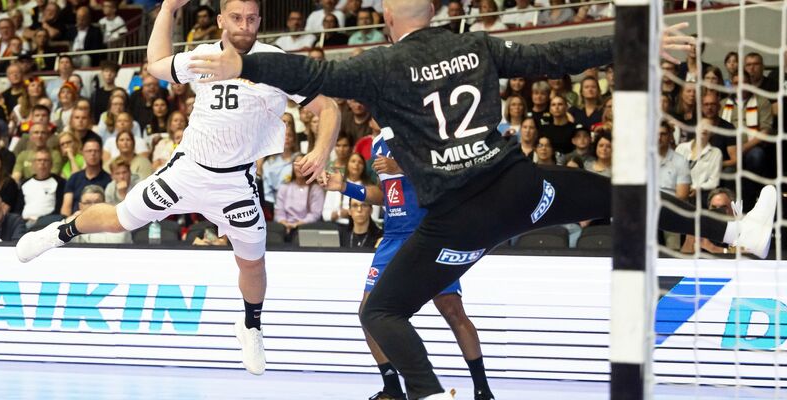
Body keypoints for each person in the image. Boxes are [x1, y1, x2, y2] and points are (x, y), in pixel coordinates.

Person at [153, 5, 779, 399]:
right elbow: (551, 57)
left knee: (381, 313)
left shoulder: (381, 64)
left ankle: (428, 396)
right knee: (621, 194)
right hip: (520, 191)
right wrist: (631, 39)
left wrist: (247, 63)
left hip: (461, 219)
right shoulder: (475, 46)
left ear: (393, 20)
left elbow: (317, 79)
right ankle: (733, 235)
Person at [16, 0, 341, 382]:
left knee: (252, 261)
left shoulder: (277, 63)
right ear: (221, 20)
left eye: (251, 19)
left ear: (260, 21)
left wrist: (321, 150)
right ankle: (57, 232)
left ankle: (251, 326)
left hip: (235, 182)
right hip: (187, 170)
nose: (244, 26)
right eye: (236, 18)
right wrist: (169, 8)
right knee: (121, 219)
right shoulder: (203, 56)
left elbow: (330, 108)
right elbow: (156, 63)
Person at [325, 128, 494, 399]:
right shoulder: (378, 142)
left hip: (428, 232)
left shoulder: (420, 127)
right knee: (367, 312)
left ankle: (482, 389)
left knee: (452, 310)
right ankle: (392, 388)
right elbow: (385, 194)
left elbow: (446, 172)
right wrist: (345, 187)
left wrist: (400, 166)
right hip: (393, 236)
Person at [273, 154, 324, 239]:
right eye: (297, 164)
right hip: (284, 226)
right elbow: (279, 212)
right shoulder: (284, 187)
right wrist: (285, 224)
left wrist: (296, 225)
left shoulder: (315, 189)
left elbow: (315, 214)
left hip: (306, 227)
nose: (300, 167)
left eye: (303, 164)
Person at [59, 136, 110, 217]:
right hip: (75, 222)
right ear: (83, 153)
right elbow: (66, 208)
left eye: (96, 151)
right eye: (89, 151)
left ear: (101, 154)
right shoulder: (74, 178)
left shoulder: (109, 179)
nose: (92, 154)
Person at [17, 148, 66, 227]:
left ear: (51, 164)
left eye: (46, 160)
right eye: (39, 160)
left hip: (48, 223)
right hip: (24, 222)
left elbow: (59, 208)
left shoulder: (60, 182)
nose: (42, 163)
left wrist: (39, 220)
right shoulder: (24, 183)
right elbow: (18, 208)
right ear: (33, 164)